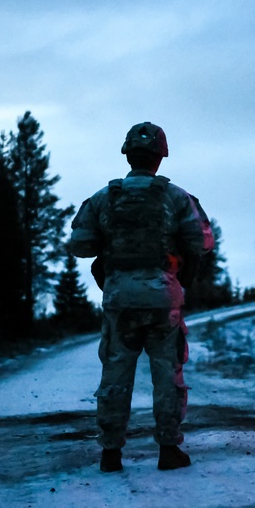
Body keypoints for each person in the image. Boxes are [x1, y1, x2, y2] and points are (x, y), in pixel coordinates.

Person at [68, 121, 214, 472]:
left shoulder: (105, 197)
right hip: (163, 299)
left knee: (116, 375)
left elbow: (79, 245)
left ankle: (110, 453)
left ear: (128, 155)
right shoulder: (176, 197)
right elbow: (203, 242)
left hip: (120, 298)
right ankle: (168, 449)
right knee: (167, 374)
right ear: (160, 158)